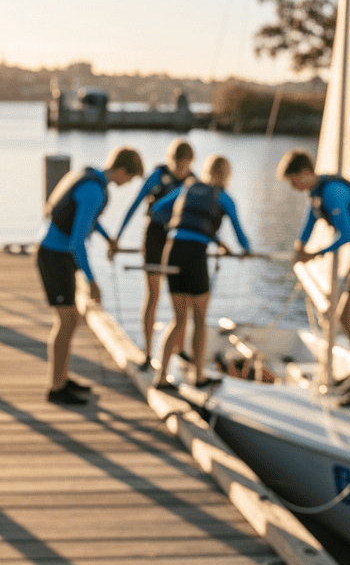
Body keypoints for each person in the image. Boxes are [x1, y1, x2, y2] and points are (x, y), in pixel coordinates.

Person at [35, 146, 143, 405]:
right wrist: (92, 281)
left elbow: (88, 220)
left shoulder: (92, 176)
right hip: (54, 255)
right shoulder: (94, 190)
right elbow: (77, 243)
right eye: (130, 178)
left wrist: (108, 239)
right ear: (121, 171)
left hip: (57, 253)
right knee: (67, 319)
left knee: (70, 319)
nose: (128, 184)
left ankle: (61, 377)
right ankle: (56, 387)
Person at [277, 148, 350, 407]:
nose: (292, 187)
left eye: (293, 181)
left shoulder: (331, 192)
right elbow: (310, 220)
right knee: (347, 317)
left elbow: (347, 235)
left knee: (349, 316)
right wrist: (300, 245)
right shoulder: (316, 194)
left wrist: (315, 254)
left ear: (305, 174)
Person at [149, 154, 250, 390]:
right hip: (195, 255)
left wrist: (180, 226)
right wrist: (246, 250)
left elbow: (157, 210)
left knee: (178, 319)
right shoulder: (223, 197)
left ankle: (161, 376)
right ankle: (198, 376)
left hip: (172, 249)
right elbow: (239, 231)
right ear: (226, 175)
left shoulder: (187, 187)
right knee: (200, 320)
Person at [109, 138, 195, 368]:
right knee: (154, 295)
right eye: (177, 164)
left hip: (178, 239)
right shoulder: (157, 176)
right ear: (171, 160)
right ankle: (147, 353)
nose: (180, 169)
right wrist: (117, 237)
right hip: (155, 237)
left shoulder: (193, 181)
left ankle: (180, 348)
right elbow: (135, 205)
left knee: (183, 299)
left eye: (185, 165)